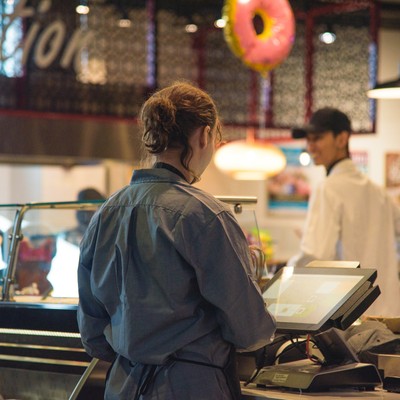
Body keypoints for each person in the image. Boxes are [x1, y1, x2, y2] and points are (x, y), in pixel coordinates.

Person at [77, 82, 276, 399]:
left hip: (122, 387)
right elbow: (251, 331)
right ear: (204, 135)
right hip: (191, 387)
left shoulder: (105, 213)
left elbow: (92, 334)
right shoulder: (209, 217)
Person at [289, 107, 400, 317]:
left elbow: (316, 255)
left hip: (350, 316)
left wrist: (284, 278)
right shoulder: (379, 193)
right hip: (391, 313)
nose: (311, 146)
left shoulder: (328, 188)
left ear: (342, 138)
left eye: (318, 138)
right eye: (308, 139)